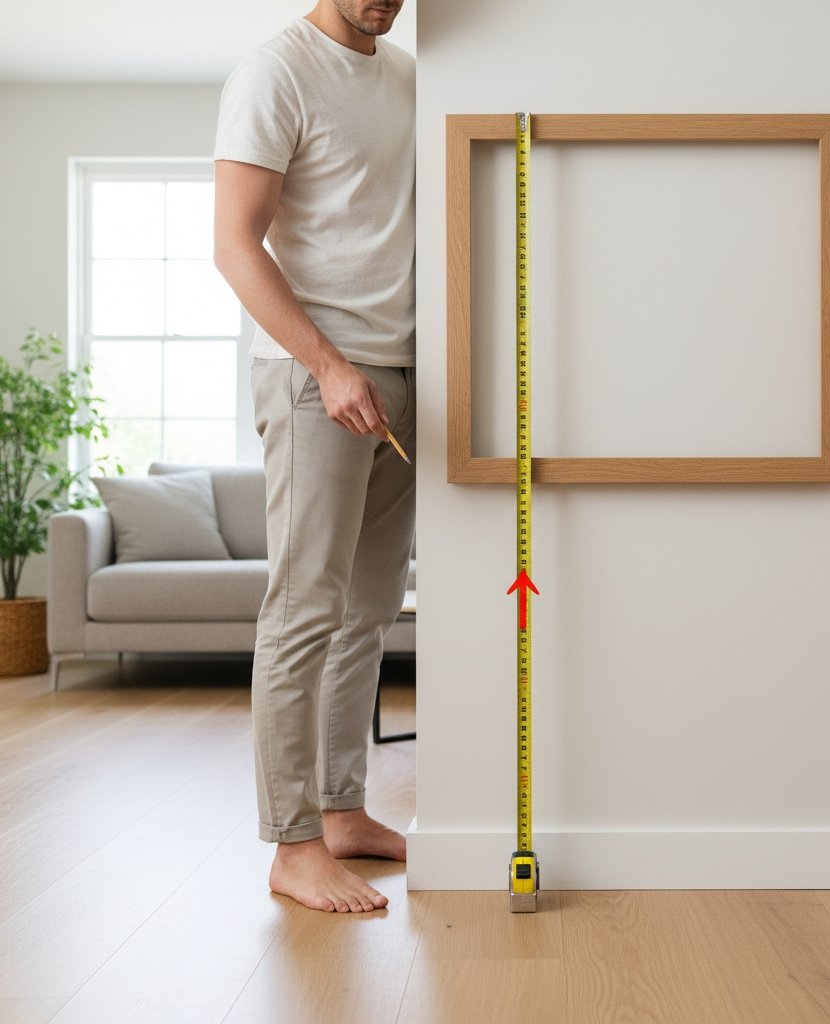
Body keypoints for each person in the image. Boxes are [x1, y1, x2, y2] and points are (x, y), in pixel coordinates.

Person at [213, 0, 414, 913]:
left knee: (368, 606)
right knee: (302, 611)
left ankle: (341, 811)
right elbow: (234, 244)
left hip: (405, 373)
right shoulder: (275, 70)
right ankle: (292, 845)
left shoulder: (409, 74)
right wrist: (326, 364)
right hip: (315, 378)